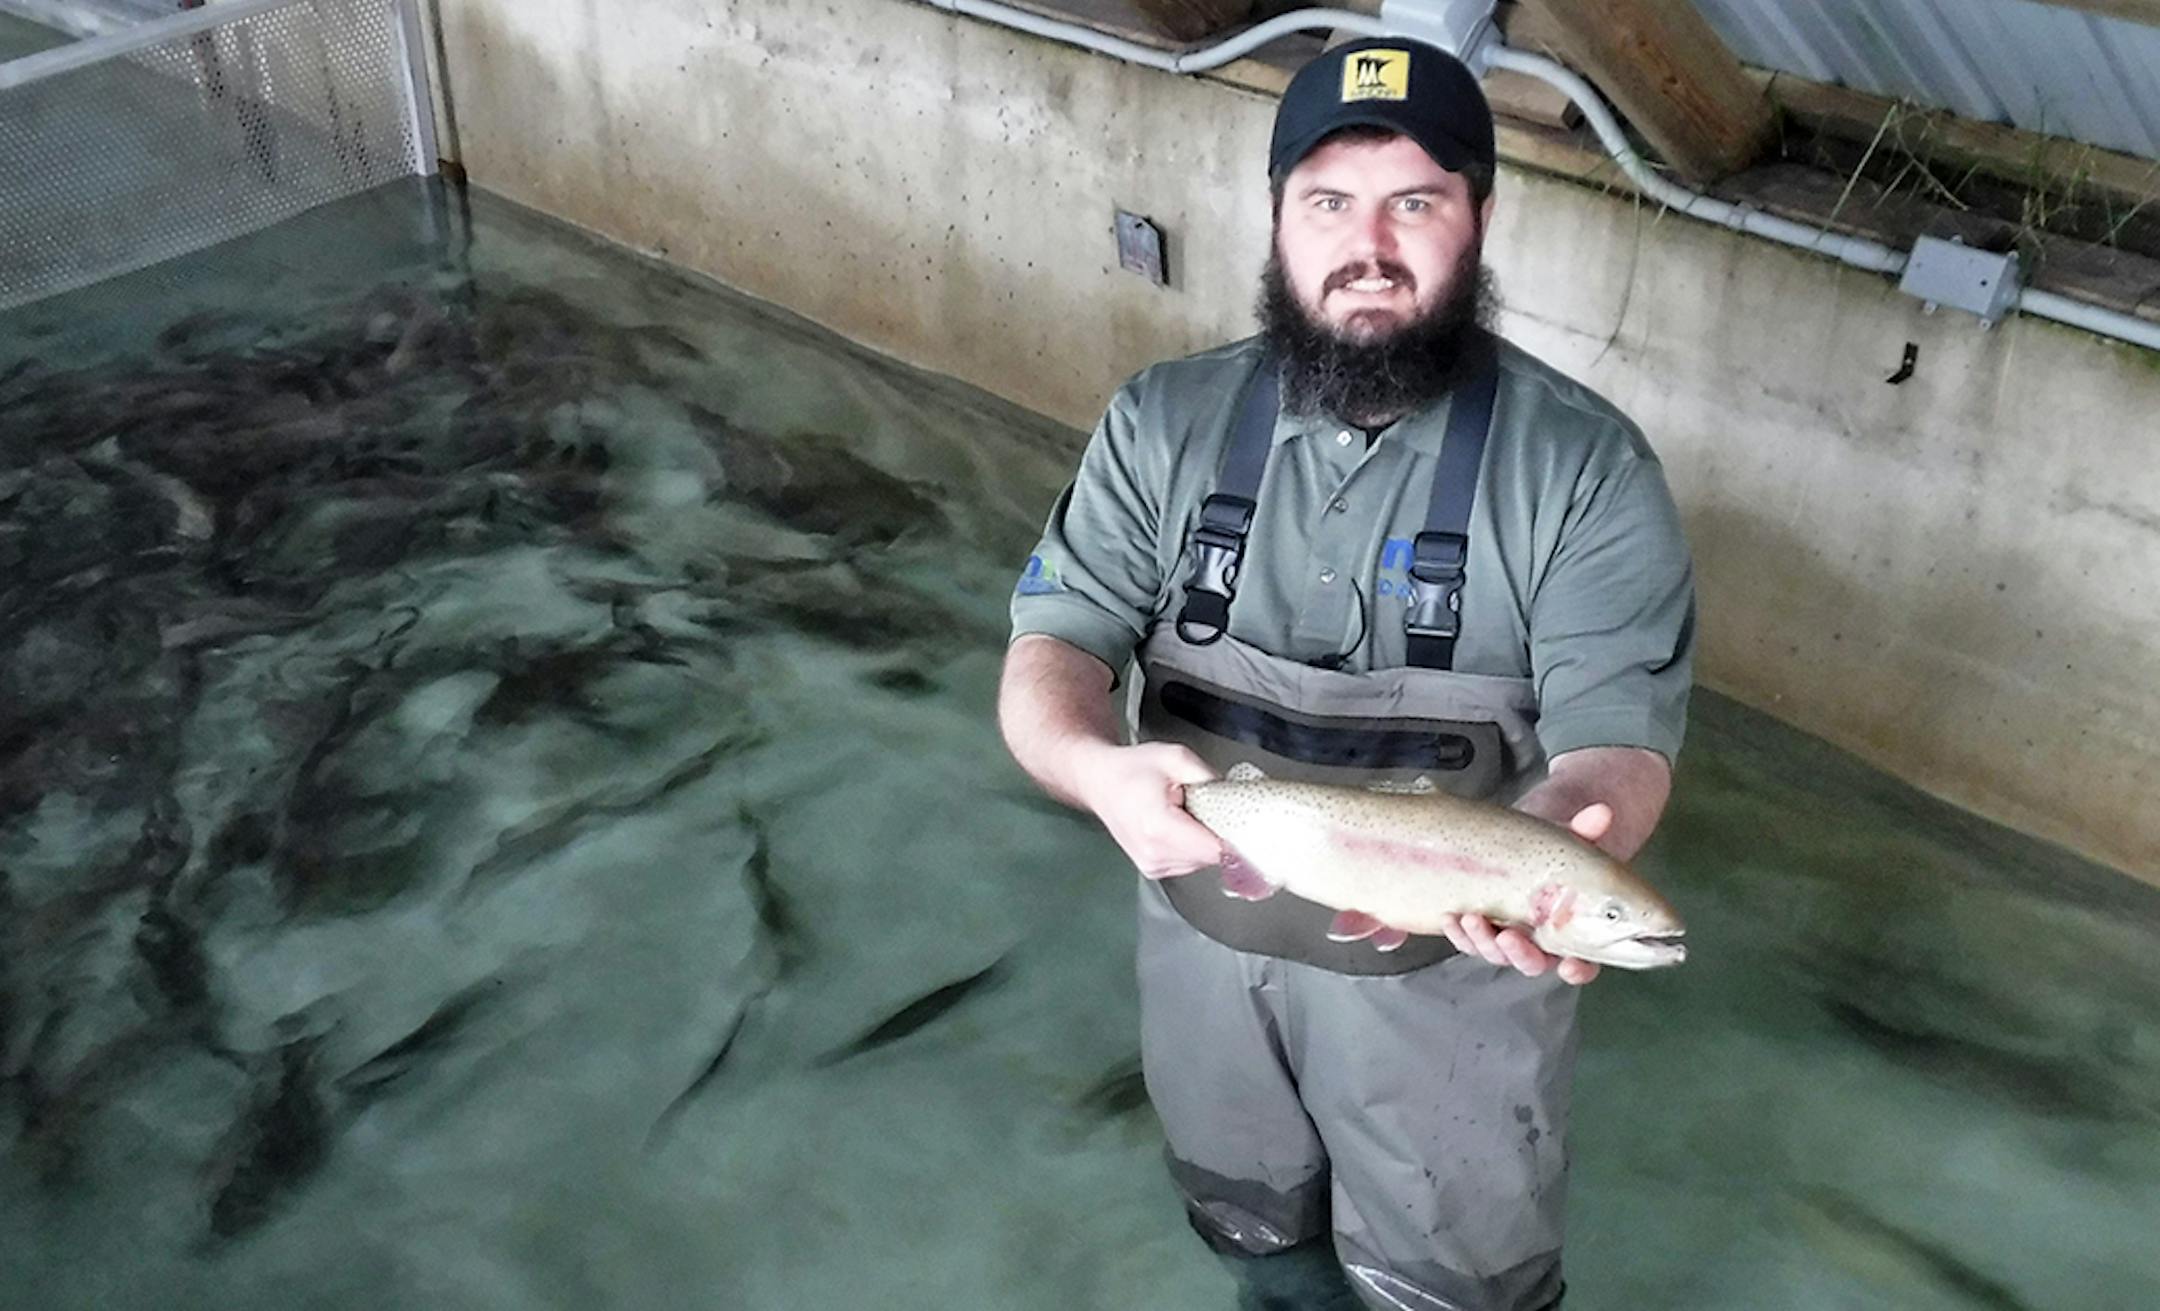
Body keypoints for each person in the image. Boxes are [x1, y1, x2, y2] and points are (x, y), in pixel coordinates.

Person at [998, 36, 1695, 1311]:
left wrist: (1554, 849)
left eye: (1415, 201)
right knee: (1256, 1245)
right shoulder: (1158, 422)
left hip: (1451, 1001)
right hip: (1204, 962)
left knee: (1454, 1291)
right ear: (1276, 221)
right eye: (1328, 201)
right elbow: (1052, 650)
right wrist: (1097, 772)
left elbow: (1619, 747)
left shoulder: (1589, 471)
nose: (1367, 244)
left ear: (1479, 217)